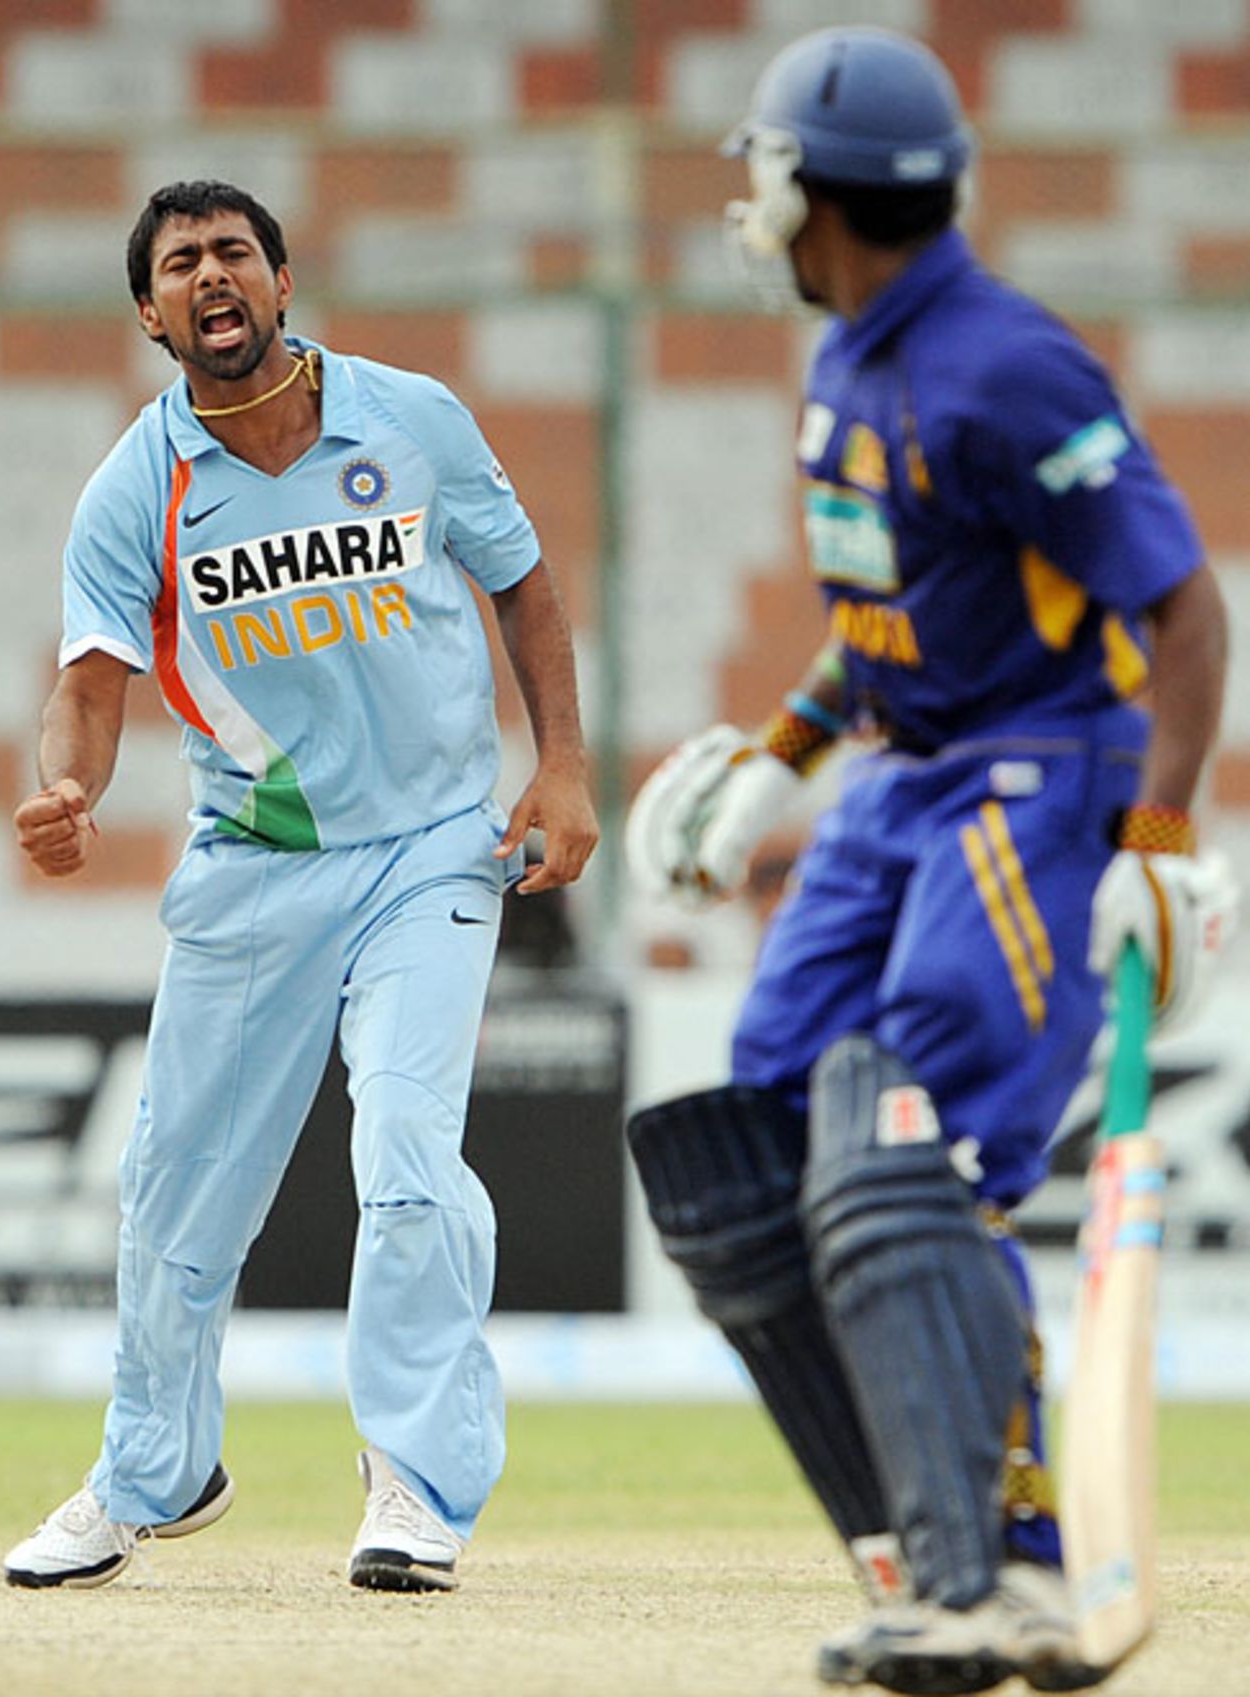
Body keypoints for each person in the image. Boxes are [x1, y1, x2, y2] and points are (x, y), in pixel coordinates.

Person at [625, 27, 1235, 1697]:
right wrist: (777, 760)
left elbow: (1184, 605)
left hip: (1043, 773)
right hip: (902, 779)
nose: (748, 201)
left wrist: (1163, 834)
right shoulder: (848, 355)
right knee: (750, 1145)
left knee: (900, 1138)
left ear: (820, 191)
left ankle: (1004, 1578)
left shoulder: (1002, 365)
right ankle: (933, 1544)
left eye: (763, 170)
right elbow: (883, 626)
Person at [5, 180, 598, 1594]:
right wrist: (70, 786)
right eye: (179, 264)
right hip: (255, 865)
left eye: (232, 253)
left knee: (404, 1152)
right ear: (150, 313)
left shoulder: (412, 418)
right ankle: (154, 1471)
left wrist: (563, 769)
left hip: (432, 848)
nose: (211, 276)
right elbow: (90, 684)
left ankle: (417, 1481)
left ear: (281, 276)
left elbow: (521, 583)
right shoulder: (133, 489)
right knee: (172, 1197)